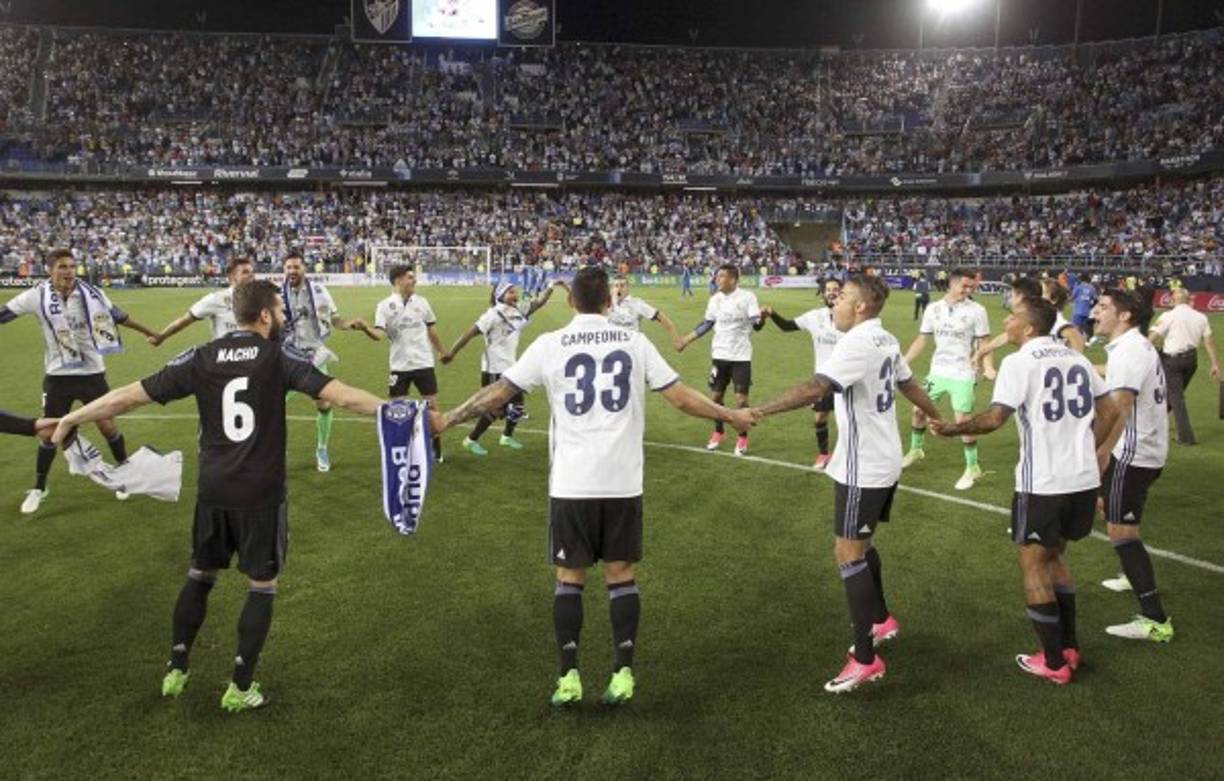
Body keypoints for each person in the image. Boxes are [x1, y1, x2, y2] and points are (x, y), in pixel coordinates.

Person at [49, 279, 387, 711]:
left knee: (199, 576)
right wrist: (398, 410)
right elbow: (342, 397)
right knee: (262, 586)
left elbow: (128, 397)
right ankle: (241, 687)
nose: (284, 317)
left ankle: (176, 668)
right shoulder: (279, 355)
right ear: (264, 315)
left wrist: (72, 416)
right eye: (280, 311)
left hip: (213, 491)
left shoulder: (201, 356)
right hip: (260, 493)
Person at [429, 266, 757, 707]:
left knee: (570, 578)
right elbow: (679, 396)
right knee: (621, 575)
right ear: (609, 302)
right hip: (622, 481)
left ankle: (569, 677)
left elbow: (498, 394)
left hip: (572, 482)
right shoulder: (634, 341)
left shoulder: (550, 344)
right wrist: (733, 416)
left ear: (571, 302)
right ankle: (623, 672)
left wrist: (448, 418)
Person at [752, 275, 940, 693]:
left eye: (840, 299)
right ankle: (881, 619)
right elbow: (909, 384)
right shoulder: (886, 338)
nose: (832, 305)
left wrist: (758, 411)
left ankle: (864, 658)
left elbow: (817, 387)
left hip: (863, 465)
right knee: (864, 546)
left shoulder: (855, 343)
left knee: (848, 553)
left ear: (859, 307)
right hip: (883, 457)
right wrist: (937, 415)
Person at [931, 298, 1115, 685]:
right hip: (1082, 480)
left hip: (1044, 483)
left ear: (1029, 329)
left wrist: (949, 428)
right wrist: (1087, 447)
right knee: (1056, 558)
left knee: (1033, 564)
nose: (1006, 322)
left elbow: (996, 418)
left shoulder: (1020, 362)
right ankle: (1069, 647)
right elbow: (1111, 409)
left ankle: (1053, 661)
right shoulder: (1076, 358)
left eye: (1012, 318)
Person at [0, 248, 162, 514]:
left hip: (92, 373)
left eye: (73, 267)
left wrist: (152, 333)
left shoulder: (92, 293)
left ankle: (124, 475)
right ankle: (39, 488)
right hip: (57, 375)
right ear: (50, 269)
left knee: (107, 426)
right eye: (63, 267)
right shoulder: (35, 296)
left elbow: (120, 316)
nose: (69, 272)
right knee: (51, 432)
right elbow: (4, 314)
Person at [1092, 288, 1175, 643]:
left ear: (1124, 316)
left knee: (1121, 531)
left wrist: (1102, 451)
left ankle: (1155, 620)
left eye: (1104, 306)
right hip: (1147, 449)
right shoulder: (1136, 347)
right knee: (1114, 513)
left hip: (1133, 453)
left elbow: (1121, 406)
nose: (1096, 311)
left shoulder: (1128, 351)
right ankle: (1131, 575)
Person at [443, 278, 566, 455]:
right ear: (500, 296)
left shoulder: (517, 310)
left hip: (511, 367)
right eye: (510, 292)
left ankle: (506, 436)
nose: (515, 294)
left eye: (515, 291)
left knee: (517, 406)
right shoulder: (492, 315)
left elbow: (539, 302)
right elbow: (469, 334)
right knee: (494, 408)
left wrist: (551, 286)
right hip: (494, 369)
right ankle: (471, 439)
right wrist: (452, 353)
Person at [282, 251, 379, 472]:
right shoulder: (278, 294)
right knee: (273, 406)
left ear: (304, 268)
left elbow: (335, 320)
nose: (292, 271)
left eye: (296, 267)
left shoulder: (319, 292)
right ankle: (278, 451)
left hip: (314, 357)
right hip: (288, 359)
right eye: (288, 267)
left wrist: (352, 324)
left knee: (324, 406)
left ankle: (322, 448)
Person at [901, 267, 994, 490]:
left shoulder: (977, 311)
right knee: (918, 410)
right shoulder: (933, 309)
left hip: (963, 372)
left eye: (972, 286)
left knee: (962, 421)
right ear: (951, 284)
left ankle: (973, 467)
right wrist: (902, 363)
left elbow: (985, 343)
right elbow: (922, 340)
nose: (969, 290)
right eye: (965, 285)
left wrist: (988, 367)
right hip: (938, 371)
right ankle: (916, 449)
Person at [676, 263, 765, 456]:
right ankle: (718, 432)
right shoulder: (715, 299)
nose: (717, 279)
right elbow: (707, 324)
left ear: (733, 279)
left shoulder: (747, 297)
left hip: (741, 357)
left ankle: (742, 437)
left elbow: (756, 325)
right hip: (719, 355)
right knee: (715, 398)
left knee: (741, 400)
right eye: (717, 276)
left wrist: (762, 317)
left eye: (722, 276)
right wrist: (686, 340)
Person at [762, 277, 843, 469]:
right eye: (828, 289)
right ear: (823, 293)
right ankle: (823, 454)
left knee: (846, 420)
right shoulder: (815, 317)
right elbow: (787, 326)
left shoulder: (851, 318)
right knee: (820, 418)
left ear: (842, 293)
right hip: (823, 380)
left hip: (848, 380)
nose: (832, 292)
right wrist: (772, 313)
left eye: (836, 289)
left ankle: (849, 455)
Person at [371, 265, 447, 461]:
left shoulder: (422, 302)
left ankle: (435, 448)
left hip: (423, 362)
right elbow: (378, 334)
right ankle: (401, 450)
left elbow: (431, 329)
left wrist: (441, 351)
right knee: (397, 411)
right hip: (399, 366)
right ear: (398, 280)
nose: (414, 280)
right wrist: (364, 327)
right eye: (410, 277)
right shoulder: (384, 306)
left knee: (432, 408)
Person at [1149, 288, 1220, 445]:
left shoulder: (1168, 316)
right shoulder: (1201, 317)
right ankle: (1154, 424)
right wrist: (1215, 364)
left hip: (1171, 361)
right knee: (1173, 395)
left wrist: (1140, 352)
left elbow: (1153, 337)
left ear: (1173, 300)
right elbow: (1208, 341)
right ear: (1189, 300)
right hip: (1191, 361)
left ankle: (1186, 437)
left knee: (1176, 397)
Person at [155, 257, 254, 344]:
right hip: (225, 361)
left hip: (253, 361)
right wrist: (162, 336)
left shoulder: (259, 298)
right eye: (245, 272)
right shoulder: (217, 298)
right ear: (232, 277)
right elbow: (185, 320)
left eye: (251, 272)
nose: (251, 275)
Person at [608, 275, 682, 345]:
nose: (619, 289)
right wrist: (612, 302)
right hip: (612, 349)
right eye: (616, 286)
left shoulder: (636, 303)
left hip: (632, 348)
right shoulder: (606, 305)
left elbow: (661, 317)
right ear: (612, 288)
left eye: (622, 285)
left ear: (628, 287)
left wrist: (675, 338)